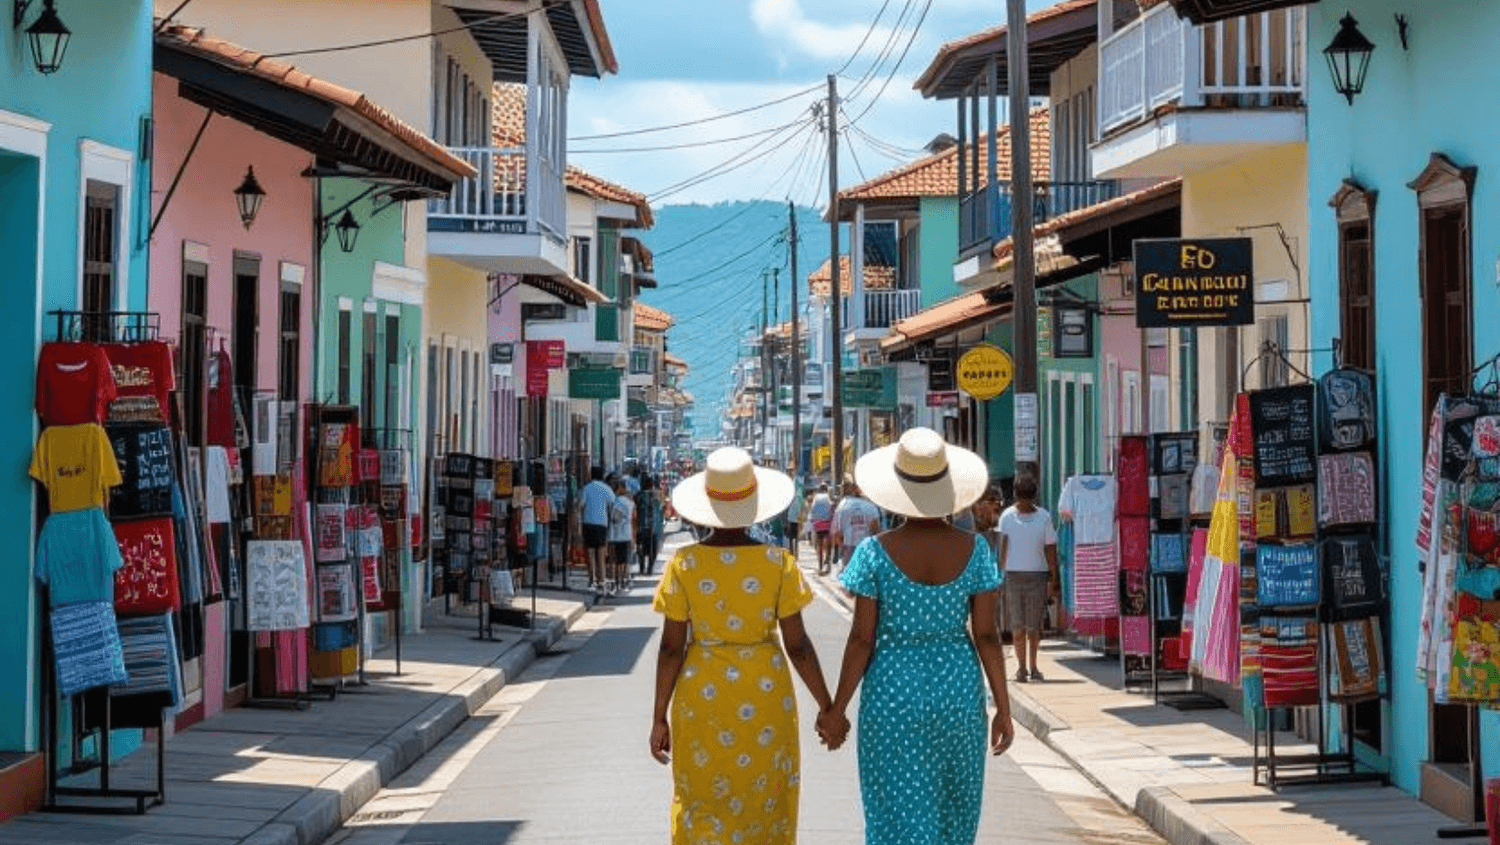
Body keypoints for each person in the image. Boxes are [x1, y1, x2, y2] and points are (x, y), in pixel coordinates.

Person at [821, 427, 1015, 845]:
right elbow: (986, 635)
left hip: (892, 693)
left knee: (894, 814)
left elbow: (861, 641)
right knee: (952, 813)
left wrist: (837, 709)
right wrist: (1003, 707)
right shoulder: (976, 550)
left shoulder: (874, 552)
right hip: (957, 692)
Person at [650, 447, 838, 844]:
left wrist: (659, 717)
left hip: (702, 697)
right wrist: (827, 707)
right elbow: (798, 646)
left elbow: (670, 650)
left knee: (702, 797)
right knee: (765, 797)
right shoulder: (778, 563)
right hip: (765, 695)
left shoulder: (684, 564)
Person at [995, 474, 1059, 683]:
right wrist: (999, 577)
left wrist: (1054, 578)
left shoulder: (1043, 518)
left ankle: (1032, 666)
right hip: (1015, 576)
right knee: (1018, 626)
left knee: (1033, 627)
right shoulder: (1007, 517)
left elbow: (1050, 549)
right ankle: (1022, 667)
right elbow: (1003, 549)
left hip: (1036, 576)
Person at [831, 478, 880, 573]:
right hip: (867, 547)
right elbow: (876, 531)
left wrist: (840, 551)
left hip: (849, 548)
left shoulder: (842, 507)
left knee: (850, 575)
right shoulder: (871, 506)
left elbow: (838, 534)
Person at [580, 466, 615, 594]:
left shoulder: (586, 488)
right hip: (602, 524)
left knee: (590, 553)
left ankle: (592, 579)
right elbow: (613, 503)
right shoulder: (606, 488)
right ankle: (601, 580)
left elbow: (581, 504)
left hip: (588, 523)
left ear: (591, 475)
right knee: (601, 553)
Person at [607, 480, 636, 594]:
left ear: (620, 488)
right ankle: (622, 581)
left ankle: (616, 582)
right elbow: (634, 519)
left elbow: (615, 518)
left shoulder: (616, 501)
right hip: (626, 535)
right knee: (623, 561)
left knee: (614, 561)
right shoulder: (631, 503)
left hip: (614, 536)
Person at [635, 474, 662, 576]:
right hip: (653, 528)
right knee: (651, 550)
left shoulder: (639, 495)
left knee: (642, 550)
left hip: (643, 527)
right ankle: (648, 568)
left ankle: (644, 568)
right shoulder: (656, 495)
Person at [807, 483, 834, 575]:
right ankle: (828, 560)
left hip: (817, 524)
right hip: (827, 523)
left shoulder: (816, 498)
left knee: (819, 544)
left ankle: (820, 565)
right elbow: (831, 509)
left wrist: (812, 521)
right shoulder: (828, 497)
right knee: (829, 543)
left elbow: (812, 510)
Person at [784, 463, 805, 558]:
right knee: (791, 536)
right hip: (791, 513)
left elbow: (802, 498)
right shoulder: (788, 483)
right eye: (789, 470)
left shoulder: (797, 483)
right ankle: (793, 552)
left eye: (791, 470)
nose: (790, 472)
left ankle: (795, 553)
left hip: (796, 512)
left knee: (795, 536)